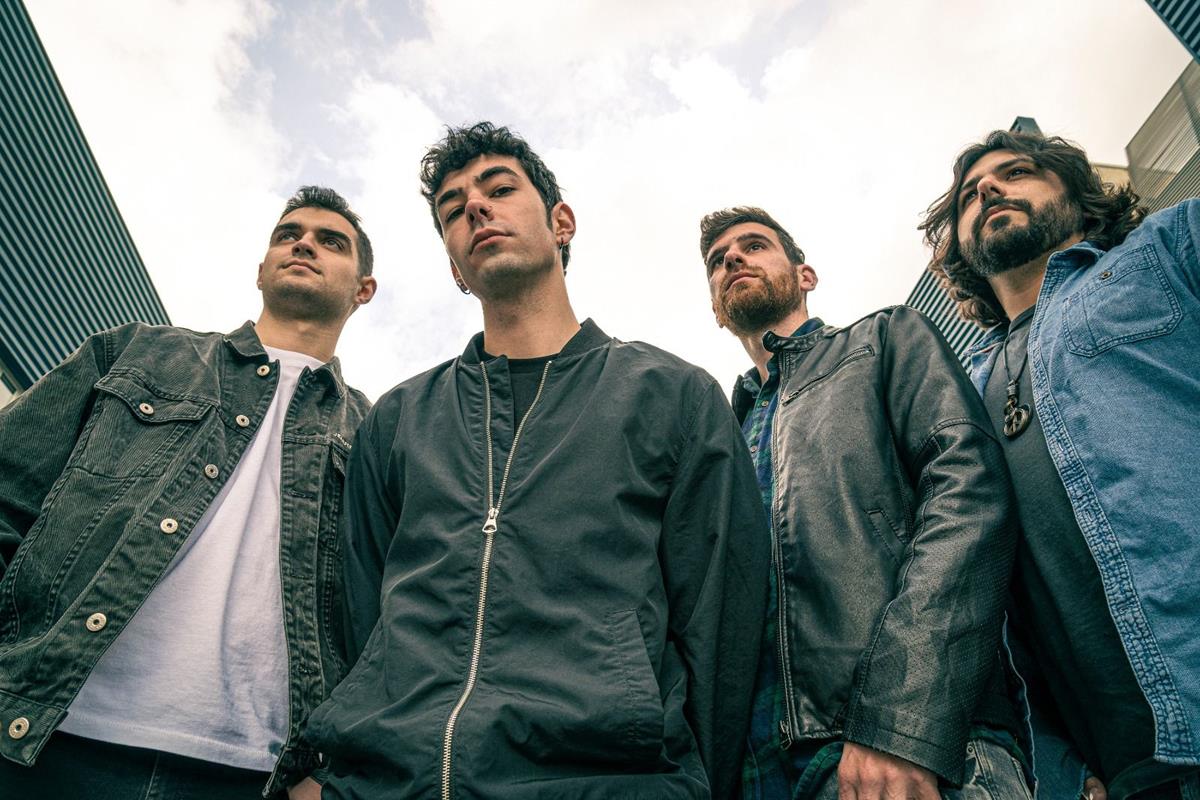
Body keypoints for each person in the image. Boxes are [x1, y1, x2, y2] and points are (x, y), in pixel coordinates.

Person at [302, 122, 770, 800]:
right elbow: (358, 621)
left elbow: (722, 625)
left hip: (610, 784)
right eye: (452, 208)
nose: (475, 207)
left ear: (561, 223)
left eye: (499, 190)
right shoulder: (397, 419)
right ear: (454, 267)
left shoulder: (674, 395)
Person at [0, 186, 377, 799]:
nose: (304, 244)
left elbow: (385, 617)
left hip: (251, 774)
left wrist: (334, 771)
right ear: (261, 270)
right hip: (39, 738)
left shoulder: (376, 435)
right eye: (288, 235)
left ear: (364, 288)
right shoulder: (137, 353)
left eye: (330, 242)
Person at [700, 206, 1026, 800]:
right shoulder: (720, 430)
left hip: (912, 750)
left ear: (805, 275)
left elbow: (968, 495)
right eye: (718, 262)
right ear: (716, 309)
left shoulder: (885, 338)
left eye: (753, 245)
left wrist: (901, 717)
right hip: (754, 771)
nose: (733, 260)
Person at [922, 129, 1200, 800]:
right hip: (1119, 771)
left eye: (1016, 171)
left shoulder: (1167, 249)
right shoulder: (957, 395)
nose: (988, 189)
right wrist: (1060, 767)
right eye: (968, 195)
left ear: (1077, 196)